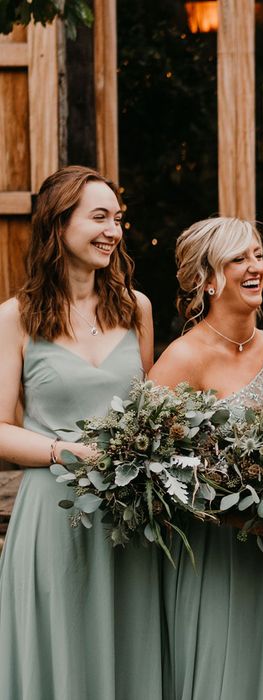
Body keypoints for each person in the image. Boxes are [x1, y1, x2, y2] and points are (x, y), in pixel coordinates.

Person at [0, 165, 160, 698]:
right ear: (57, 223)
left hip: (128, 517)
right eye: (99, 217)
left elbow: (149, 414)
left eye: (118, 219)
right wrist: (64, 452)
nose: (113, 230)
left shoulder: (136, 309)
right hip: (54, 513)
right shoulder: (15, 318)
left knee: (128, 654)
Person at [148, 217, 263, 700]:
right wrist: (224, 509)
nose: (255, 266)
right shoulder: (182, 359)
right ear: (207, 279)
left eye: (258, 254)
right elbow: (150, 464)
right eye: (239, 258)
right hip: (217, 556)